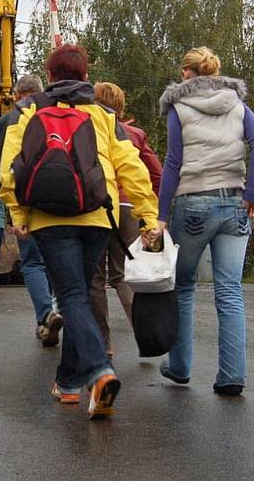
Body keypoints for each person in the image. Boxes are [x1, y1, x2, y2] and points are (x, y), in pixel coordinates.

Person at [0, 45, 159, 419]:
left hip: (48, 218)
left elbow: (11, 168)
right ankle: (68, 383)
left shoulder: (28, 111)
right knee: (80, 298)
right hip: (97, 217)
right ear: (86, 77)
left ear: (50, 76)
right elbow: (130, 167)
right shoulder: (104, 115)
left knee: (71, 296)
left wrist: (18, 212)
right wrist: (148, 214)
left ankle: (98, 373)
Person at [157, 47, 254, 397]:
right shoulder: (237, 104)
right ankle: (232, 375)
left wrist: (160, 216)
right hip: (235, 203)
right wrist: (251, 194)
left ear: (188, 73)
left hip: (193, 204)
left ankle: (179, 366)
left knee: (183, 286)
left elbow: (173, 162)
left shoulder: (178, 106)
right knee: (230, 290)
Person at [0, 74, 63, 346]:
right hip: (66, 201)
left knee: (34, 261)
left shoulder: (10, 121)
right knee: (57, 261)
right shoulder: (59, 114)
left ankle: (45, 315)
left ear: (17, 96)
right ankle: (58, 310)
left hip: (28, 203)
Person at [91, 82, 163, 357]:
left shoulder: (89, 127)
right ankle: (145, 337)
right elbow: (156, 173)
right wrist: (151, 209)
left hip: (99, 205)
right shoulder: (134, 133)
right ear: (121, 106)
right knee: (124, 275)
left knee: (96, 278)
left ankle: (104, 343)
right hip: (130, 206)